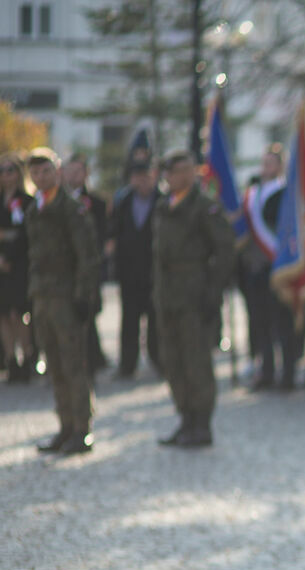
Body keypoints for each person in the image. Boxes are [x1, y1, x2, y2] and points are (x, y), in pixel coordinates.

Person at [152, 149, 236, 447]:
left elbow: (225, 251)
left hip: (194, 296)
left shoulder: (204, 207)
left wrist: (213, 292)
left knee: (196, 361)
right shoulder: (164, 206)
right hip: (167, 296)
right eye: (177, 171)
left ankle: (201, 424)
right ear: (167, 175)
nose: (184, 176)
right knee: (173, 361)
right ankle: (185, 418)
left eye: (188, 169)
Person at [24, 147, 101, 454]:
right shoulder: (34, 209)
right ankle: (65, 425)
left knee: (73, 364)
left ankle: (82, 428)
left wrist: (84, 297)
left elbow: (87, 256)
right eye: (35, 172)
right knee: (54, 365)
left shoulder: (71, 208)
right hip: (42, 296)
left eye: (46, 171)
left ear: (57, 172)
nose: (40, 177)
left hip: (67, 296)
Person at [239, 146, 290, 390]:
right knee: (259, 322)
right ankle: (266, 371)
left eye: (271, 163)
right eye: (264, 162)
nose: (266, 167)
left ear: (279, 166)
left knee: (281, 323)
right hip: (255, 266)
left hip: (278, 267)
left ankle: (287, 373)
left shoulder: (285, 193)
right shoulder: (252, 193)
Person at [108, 159, 162, 378]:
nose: (142, 181)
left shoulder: (163, 201)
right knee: (129, 320)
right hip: (129, 272)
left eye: (146, 176)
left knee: (155, 320)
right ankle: (127, 364)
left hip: (154, 272)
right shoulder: (123, 202)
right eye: (137, 176)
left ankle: (159, 361)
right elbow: (113, 232)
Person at [61, 152, 111, 374]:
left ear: (86, 173)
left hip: (88, 266)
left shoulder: (97, 203)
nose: (73, 175)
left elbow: (101, 235)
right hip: (63, 269)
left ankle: (92, 357)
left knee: (88, 310)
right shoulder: (56, 202)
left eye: (78, 170)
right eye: (69, 170)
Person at [0, 154, 35, 383]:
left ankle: (27, 356)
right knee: (3, 314)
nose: (6, 175)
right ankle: (10, 359)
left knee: (20, 313)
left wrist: (7, 246)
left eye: (11, 170)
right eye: (2, 170)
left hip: (19, 266)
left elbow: (26, 235)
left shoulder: (27, 201)